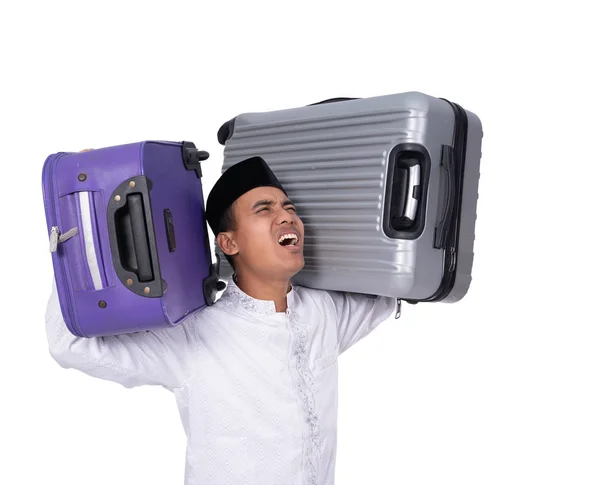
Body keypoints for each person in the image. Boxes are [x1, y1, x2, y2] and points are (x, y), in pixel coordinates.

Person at [45, 155, 397, 485]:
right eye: (264, 209)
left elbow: (400, 284)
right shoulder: (196, 335)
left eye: (289, 208)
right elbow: (70, 344)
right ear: (228, 243)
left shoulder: (325, 313)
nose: (287, 217)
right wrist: (85, 220)